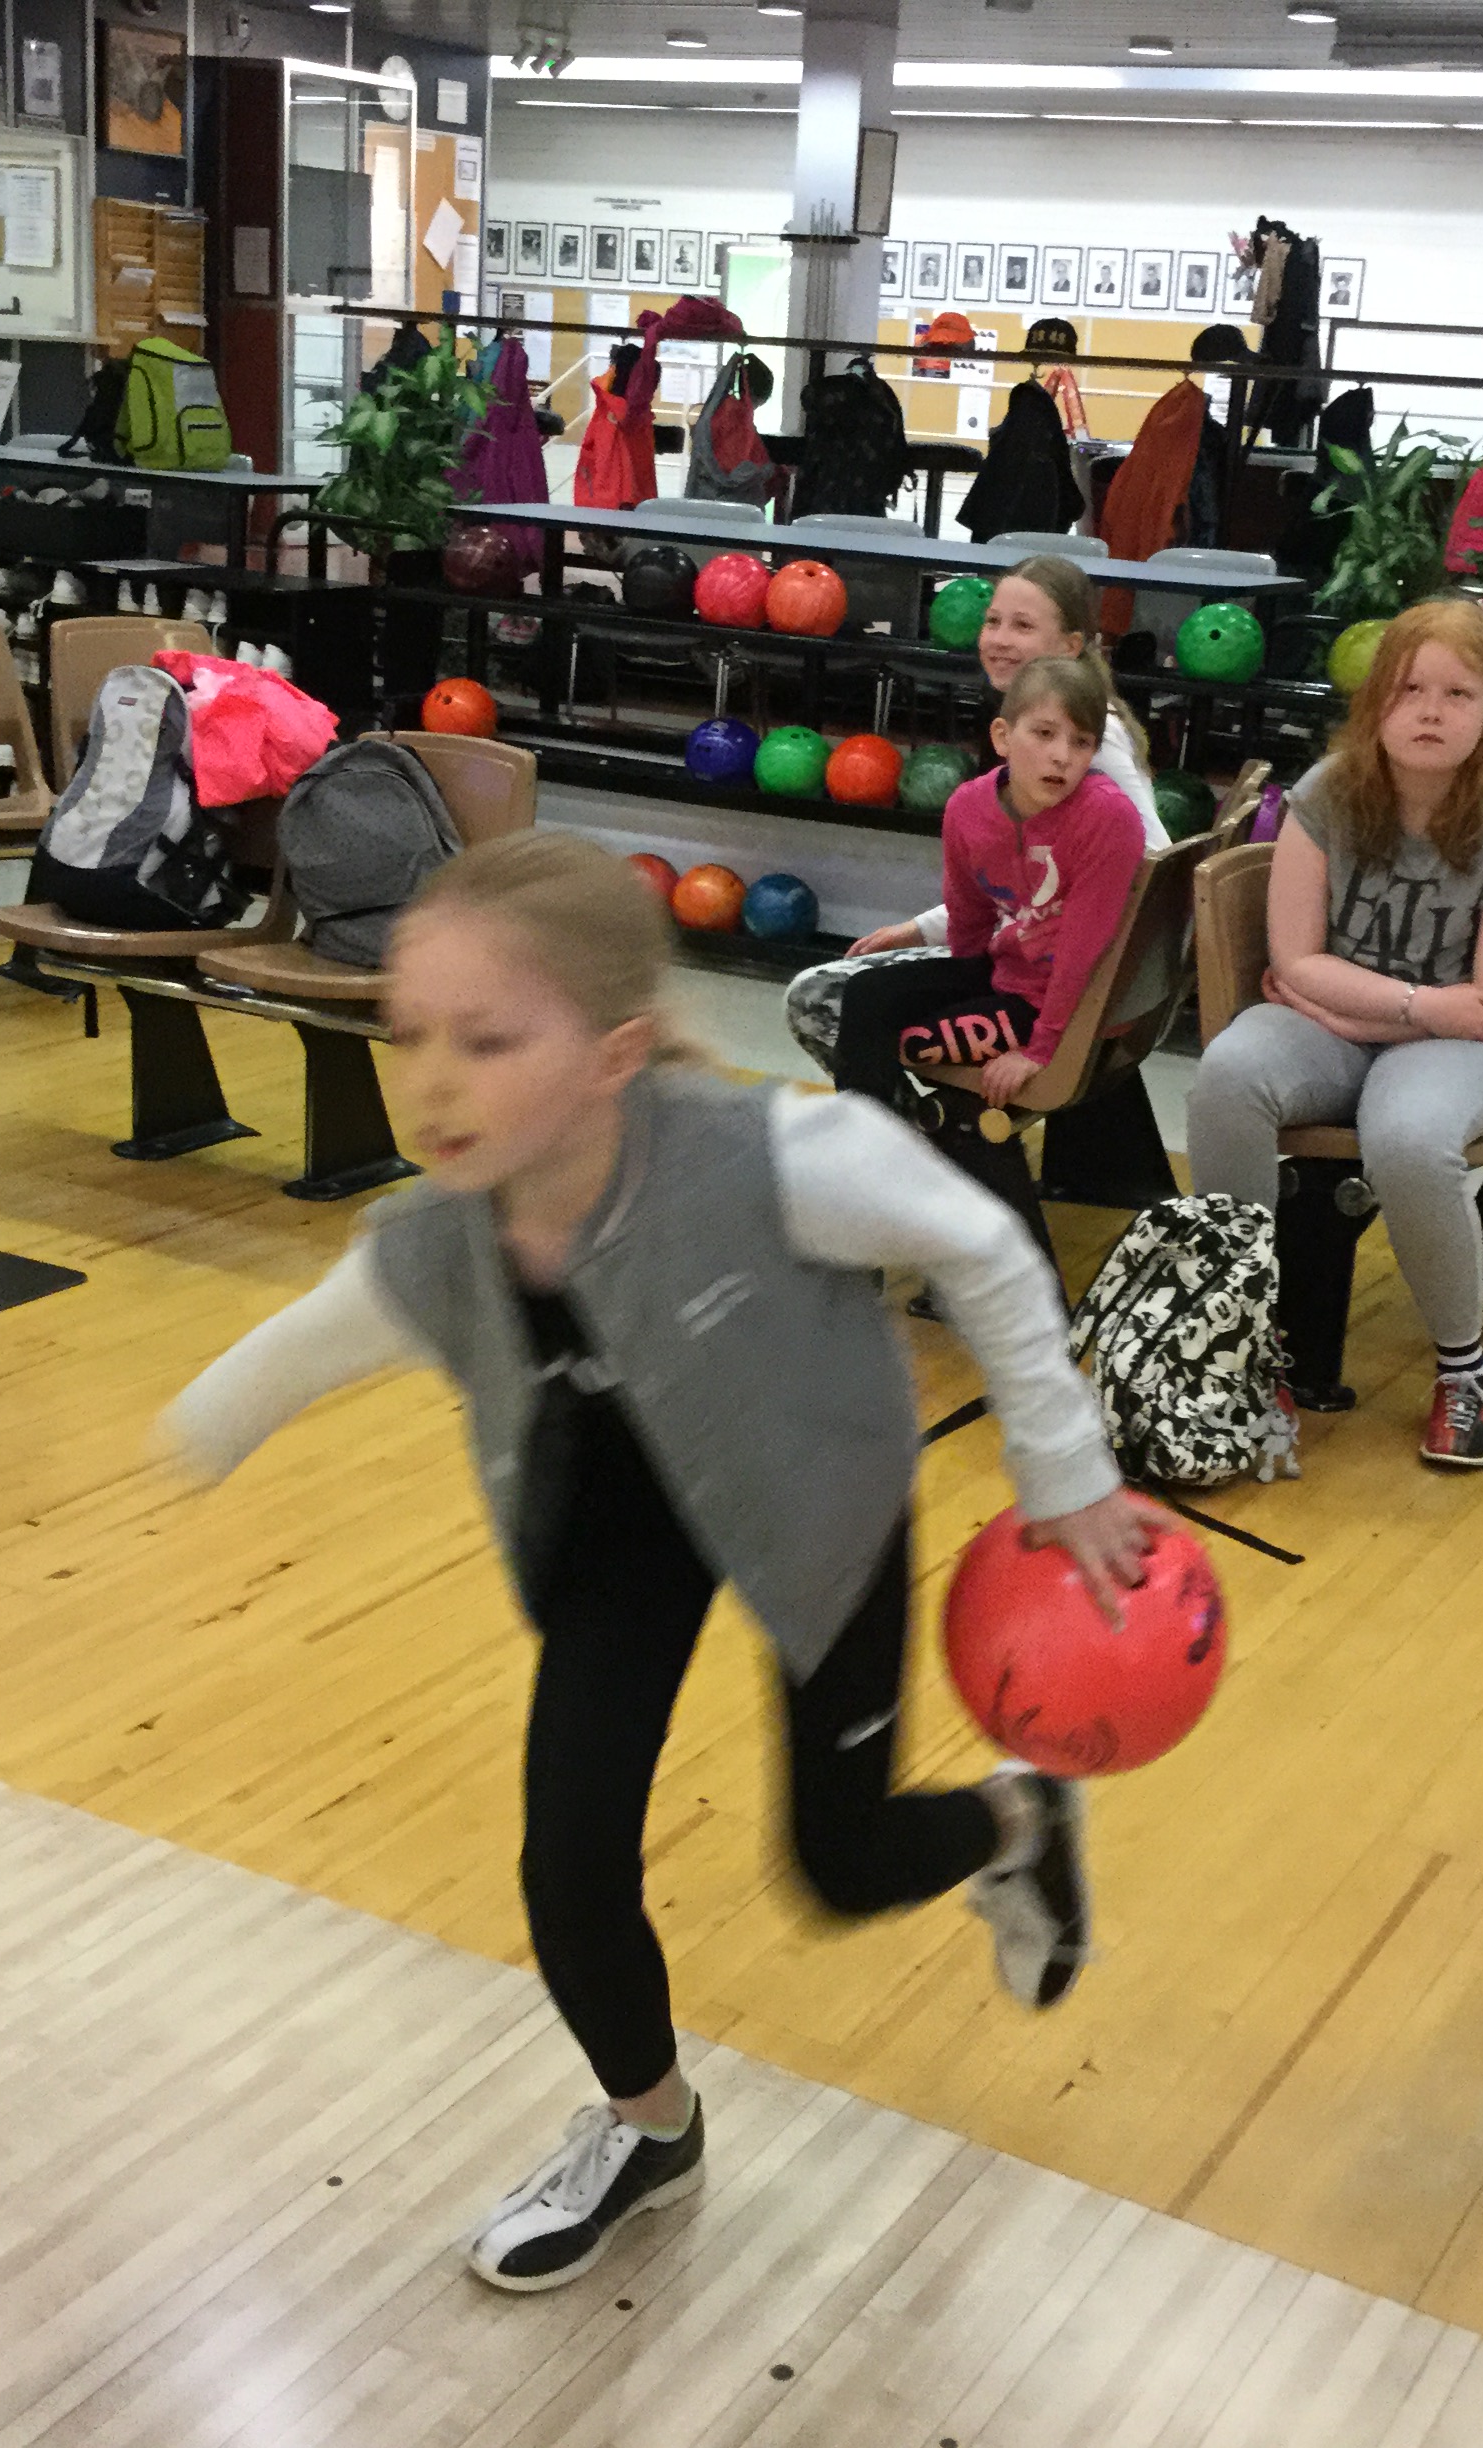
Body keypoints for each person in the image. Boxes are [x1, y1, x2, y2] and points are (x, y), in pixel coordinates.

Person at [160, 830, 1158, 2294]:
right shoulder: (440, 1238)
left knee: (840, 1866)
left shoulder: (773, 1160)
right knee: (567, 1872)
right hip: (620, 1523)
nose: (431, 1081)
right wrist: (193, 1433)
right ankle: (651, 2129)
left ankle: (1020, 1820)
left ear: (616, 1054)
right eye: (409, 1033)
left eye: (487, 1040)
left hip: (812, 1485)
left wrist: (1063, 1471)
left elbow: (988, 1248)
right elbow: (310, 1341)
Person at [1183, 598, 1483, 1472]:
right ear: (1375, 701)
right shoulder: (1328, 790)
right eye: (1409, 690)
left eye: (1458, 694)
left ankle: (1464, 1371)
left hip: (1468, 1045)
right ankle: (1240, 1340)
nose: (1431, 711)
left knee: (1409, 1139)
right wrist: (1409, 1003)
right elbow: (1294, 958)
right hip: (1378, 1019)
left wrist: (1348, 1004)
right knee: (1229, 1075)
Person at [785, 552, 1160, 1077]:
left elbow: (1152, 865)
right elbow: (1019, 883)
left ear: (1070, 647)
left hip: (1069, 984)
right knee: (860, 993)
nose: (1000, 639)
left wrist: (1079, 1017)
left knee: (820, 999)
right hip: (1039, 966)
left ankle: (911, 1124)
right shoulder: (1046, 727)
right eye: (993, 621)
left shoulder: (1088, 742)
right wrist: (923, 929)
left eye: (1022, 626)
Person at [825, 655, 1146, 1151]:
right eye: (1044, 734)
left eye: (1081, 743)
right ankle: (871, 1152)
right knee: (867, 994)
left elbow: (1081, 953)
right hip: (1007, 977)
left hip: (1064, 1007)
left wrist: (1041, 1051)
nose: (1062, 756)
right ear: (1002, 736)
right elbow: (969, 918)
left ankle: (888, 1156)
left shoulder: (1107, 817)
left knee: (893, 1038)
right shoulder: (967, 806)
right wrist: (962, 990)